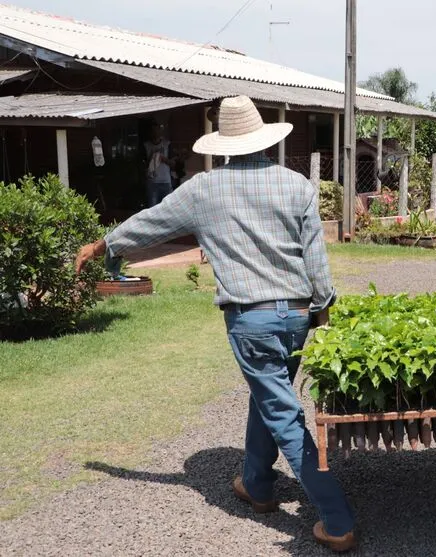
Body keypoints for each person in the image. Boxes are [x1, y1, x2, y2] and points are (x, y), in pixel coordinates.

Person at [75, 96, 358, 553]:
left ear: (225, 143)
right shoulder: (296, 185)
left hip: (251, 320)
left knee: (282, 412)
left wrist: (102, 244)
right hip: (296, 316)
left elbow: (150, 223)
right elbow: (316, 262)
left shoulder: (202, 190)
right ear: (263, 138)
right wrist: (323, 308)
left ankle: (337, 520)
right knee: (271, 396)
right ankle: (257, 485)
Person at [143, 123, 174, 207]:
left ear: (160, 132)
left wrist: (164, 159)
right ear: (150, 132)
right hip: (152, 183)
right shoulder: (146, 146)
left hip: (166, 182)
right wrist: (151, 159)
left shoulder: (167, 144)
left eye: (157, 130)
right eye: (153, 130)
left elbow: (173, 164)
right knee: (153, 210)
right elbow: (142, 165)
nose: (155, 132)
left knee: (167, 209)